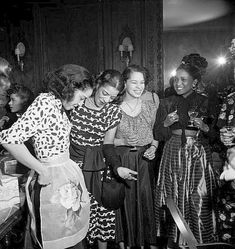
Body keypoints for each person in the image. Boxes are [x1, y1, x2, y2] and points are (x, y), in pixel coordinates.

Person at [0, 64, 93, 249]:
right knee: (51, 237)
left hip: (63, 176)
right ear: (69, 88)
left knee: (66, 234)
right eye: (81, 98)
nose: (81, 104)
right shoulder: (46, 102)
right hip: (50, 181)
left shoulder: (58, 105)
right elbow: (8, 139)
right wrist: (41, 169)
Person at [154, 54, 217, 248]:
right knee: (172, 196)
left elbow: (216, 137)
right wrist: (165, 123)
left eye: (183, 80)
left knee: (197, 199)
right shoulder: (166, 102)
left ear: (195, 82)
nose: (178, 83)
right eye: (176, 79)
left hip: (197, 155)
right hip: (172, 153)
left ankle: (196, 242)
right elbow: (158, 133)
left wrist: (204, 128)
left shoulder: (207, 102)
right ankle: (176, 241)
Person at [69, 69, 134, 249]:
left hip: (99, 170)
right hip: (73, 169)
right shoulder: (76, 103)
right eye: (105, 93)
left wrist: (117, 167)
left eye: (112, 97)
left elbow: (108, 145)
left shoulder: (113, 111)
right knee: (76, 215)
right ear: (97, 84)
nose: (106, 100)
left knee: (101, 217)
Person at [113, 64, 159, 249]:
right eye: (134, 82)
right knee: (126, 204)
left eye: (142, 82)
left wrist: (154, 147)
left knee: (145, 203)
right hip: (123, 160)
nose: (139, 86)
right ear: (125, 83)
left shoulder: (151, 106)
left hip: (145, 161)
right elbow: (105, 143)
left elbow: (154, 136)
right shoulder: (113, 108)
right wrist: (123, 142)